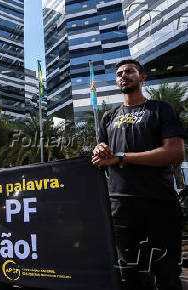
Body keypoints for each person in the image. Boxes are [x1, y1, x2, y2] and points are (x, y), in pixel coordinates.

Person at [92, 59, 187, 290]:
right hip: (120, 208)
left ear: (142, 77)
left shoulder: (160, 109)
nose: (123, 75)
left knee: (167, 276)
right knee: (130, 278)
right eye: (119, 74)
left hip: (159, 204)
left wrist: (123, 157)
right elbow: (101, 160)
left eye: (129, 71)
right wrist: (98, 151)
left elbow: (175, 153)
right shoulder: (108, 117)